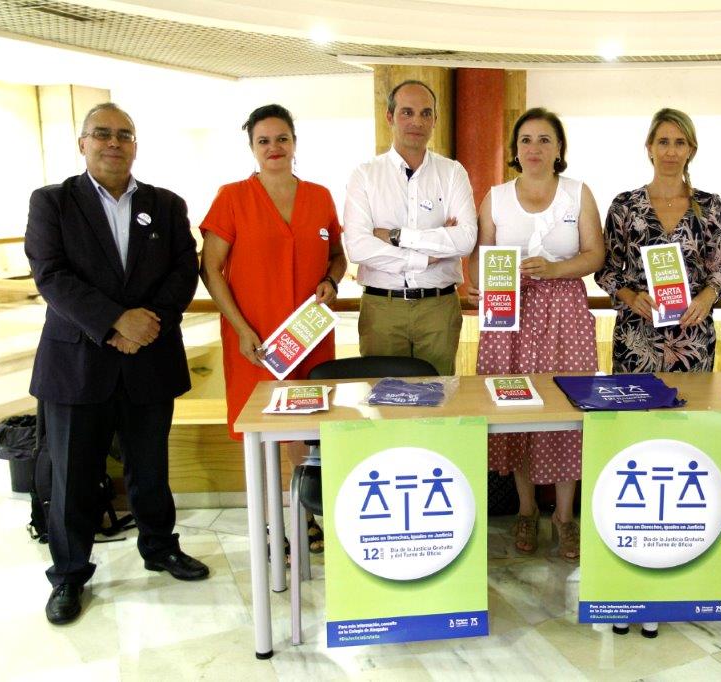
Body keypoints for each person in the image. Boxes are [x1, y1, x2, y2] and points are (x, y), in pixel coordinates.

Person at [25, 103, 208, 626]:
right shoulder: (53, 202)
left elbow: (183, 271)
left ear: (135, 145)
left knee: (150, 468)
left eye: (124, 135)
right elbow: (50, 274)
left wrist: (146, 324)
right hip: (77, 363)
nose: (113, 142)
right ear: (82, 143)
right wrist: (114, 322)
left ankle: (159, 547)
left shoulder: (165, 204)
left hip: (149, 357)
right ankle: (68, 574)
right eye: (102, 133)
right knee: (73, 478)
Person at [199, 104, 345, 554]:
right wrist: (241, 328)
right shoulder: (232, 197)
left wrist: (332, 280)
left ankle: (306, 516)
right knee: (261, 431)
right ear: (252, 148)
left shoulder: (319, 196)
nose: (274, 147)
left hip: (308, 337)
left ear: (295, 143)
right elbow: (210, 268)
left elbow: (337, 255)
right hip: (256, 340)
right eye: (264, 140)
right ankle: (268, 523)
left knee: (307, 426)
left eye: (282, 138)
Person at [468, 108, 604, 561]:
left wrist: (554, 270)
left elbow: (595, 255)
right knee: (515, 409)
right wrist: (478, 283)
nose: (534, 148)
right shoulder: (495, 197)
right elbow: (480, 257)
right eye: (526, 140)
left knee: (567, 406)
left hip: (565, 312)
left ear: (559, 148)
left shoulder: (577, 193)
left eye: (545, 139)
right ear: (515, 148)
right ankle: (526, 509)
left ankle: (564, 516)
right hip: (509, 315)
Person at [343, 80, 477, 376]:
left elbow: (465, 239)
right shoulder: (365, 175)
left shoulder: (452, 172)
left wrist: (396, 237)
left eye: (425, 113)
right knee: (383, 396)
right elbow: (359, 247)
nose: (417, 121)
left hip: (438, 307)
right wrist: (427, 255)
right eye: (407, 112)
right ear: (389, 117)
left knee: (439, 395)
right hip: (382, 308)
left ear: (435, 120)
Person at [595, 108, 721, 373]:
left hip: (693, 339)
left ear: (691, 150)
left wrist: (706, 298)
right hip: (636, 338)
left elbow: (719, 270)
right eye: (663, 142)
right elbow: (606, 270)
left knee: (693, 402)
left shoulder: (710, 206)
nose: (671, 152)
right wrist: (632, 298)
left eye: (680, 143)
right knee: (634, 401)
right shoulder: (625, 206)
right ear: (650, 148)